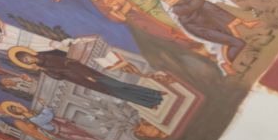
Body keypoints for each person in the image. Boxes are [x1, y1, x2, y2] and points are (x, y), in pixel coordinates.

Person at [9, 47, 164, 108]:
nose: (28, 61)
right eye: (26, 61)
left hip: (84, 74)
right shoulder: (44, 68)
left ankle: (154, 94)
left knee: (118, 85)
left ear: (29, 54)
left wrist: (87, 75)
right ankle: (149, 102)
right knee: (116, 93)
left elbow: (69, 63)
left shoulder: (47, 56)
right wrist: (42, 69)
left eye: (26, 58)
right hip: (79, 79)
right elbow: (59, 77)